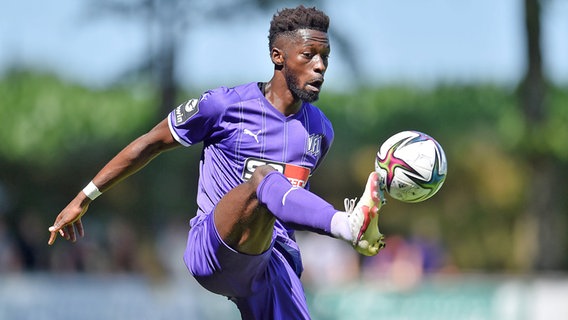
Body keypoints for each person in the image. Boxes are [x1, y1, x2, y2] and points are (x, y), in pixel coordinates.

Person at [48, 5, 387, 319]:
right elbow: (148, 145)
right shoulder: (224, 106)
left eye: (325, 57)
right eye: (309, 55)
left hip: (270, 262)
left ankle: (345, 226)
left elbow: (292, 205)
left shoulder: (320, 131)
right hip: (214, 249)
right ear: (278, 57)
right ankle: (347, 225)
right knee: (263, 180)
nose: (320, 66)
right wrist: (83, 197)